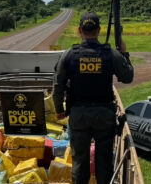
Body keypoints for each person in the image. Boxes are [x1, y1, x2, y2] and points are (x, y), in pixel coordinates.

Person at [53, 12, 134, 184]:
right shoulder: (110, 54)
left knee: (79, 162)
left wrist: (59, 110)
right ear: (98, 30)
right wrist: (124, 53)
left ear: (79, 30)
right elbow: (127, 77)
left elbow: (58, 86)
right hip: (104, 115)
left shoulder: (69, 54)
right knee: (104, 162)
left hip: (78, 115)